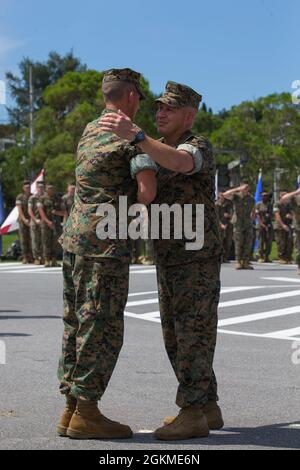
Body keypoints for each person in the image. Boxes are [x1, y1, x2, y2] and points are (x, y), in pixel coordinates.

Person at [99, 80, 223, 441]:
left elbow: (182, 163)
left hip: (196, 257)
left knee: (193, 334)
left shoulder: (196, 145)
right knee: (176, 335)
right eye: (158, 107)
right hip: (169, 256)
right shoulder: (155, 148)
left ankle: (192, 412)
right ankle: (207, 406)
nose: (160, 113)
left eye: (169, 108)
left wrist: (138, 138)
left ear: (189, 114)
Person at [56, 68, 157, 440]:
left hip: (75, 239)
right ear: (131, 96)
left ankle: (70, 408)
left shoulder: (89, 130)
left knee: (77, 323)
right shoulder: (129, 137)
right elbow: (147, 192)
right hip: (107, 242)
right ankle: (87, 411)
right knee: (102, 325)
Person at [223, 183, 256, 270]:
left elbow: (253, 210)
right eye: (244, 187)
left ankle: (245, 262)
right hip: (238, 222)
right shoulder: (236, 196)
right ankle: (238, 262)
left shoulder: (251, 198)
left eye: (247, 188)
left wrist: (253, 219)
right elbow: (225, 195)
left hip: (248, 223)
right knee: (239, 242)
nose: (245, 189)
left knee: (247, 242)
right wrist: (237, 188)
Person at [37, 184, 61, 267]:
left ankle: (54, 259)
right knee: (46, 241)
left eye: (52, 188)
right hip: (46, 223)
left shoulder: (57, 198)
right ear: (46, 189)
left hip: (56, 223)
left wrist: (57, 213)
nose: (51, 190)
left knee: (55, 241)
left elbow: (63, 211)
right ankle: (47, 259)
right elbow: (41, 211)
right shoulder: (42, 199)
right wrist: (47, 222)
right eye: (49, 188)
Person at [280, 187, 300, 273]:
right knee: (298, 248)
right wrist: (296, 192)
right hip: (298, 227)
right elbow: (283, 199)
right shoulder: (295, 198)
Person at [274, 191, 294, 264]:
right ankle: (281, 257)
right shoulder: (277, 204)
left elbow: (293, 214)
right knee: (281, 242)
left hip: (288, 225)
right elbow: (277, 215)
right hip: (280, 225)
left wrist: (291, 216)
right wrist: (282, 225)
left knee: (289, 241)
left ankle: (288, 257)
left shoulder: (289, 205)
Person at [28, 182, 45, 265]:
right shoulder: (32, 198)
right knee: (35, 239)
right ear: (36, 188)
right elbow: (30, 210)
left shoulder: (45, 197)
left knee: (43, 240)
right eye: (39, 187)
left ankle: (43, 257)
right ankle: (36, 257)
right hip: (35, 221)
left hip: (43, 222)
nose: (40, 189)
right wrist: (35, 219)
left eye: (42, 187)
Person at [15, 181, 32, 264]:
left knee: (32, 238)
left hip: (31, 220)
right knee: (23, 239)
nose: (28, 188)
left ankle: (31, 256)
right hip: (23, 221)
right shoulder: (20, 197)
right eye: (26, 187)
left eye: (29, 187)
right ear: (23, 188)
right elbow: (19, 209)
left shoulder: (33, 196)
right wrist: (24, 219)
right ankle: (25, 256)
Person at [256, 192, 274, 263]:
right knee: (261, 241)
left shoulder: (270, 205)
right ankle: (261, 256)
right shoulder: (258, 204)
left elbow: (271, 215)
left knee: (269, 241)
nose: (264, 197)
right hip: (261, 225)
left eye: (266, 196)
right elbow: (257, 215)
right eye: (263, 196)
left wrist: (268, 224)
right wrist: (262, 224)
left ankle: (267, 256)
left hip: (269, 224)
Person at [216, 192, 233, 263]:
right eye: (221, 196)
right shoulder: (216, 204)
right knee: (220, 242)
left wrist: (229, 215)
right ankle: (219, 257)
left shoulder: (229, 204)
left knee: (228, 242)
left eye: (223, 195)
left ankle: (225, 257)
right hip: (219, 225)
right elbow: (215, 216)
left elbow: (233, 214)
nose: (222, 197)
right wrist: (221, 225)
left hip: (228, 225)